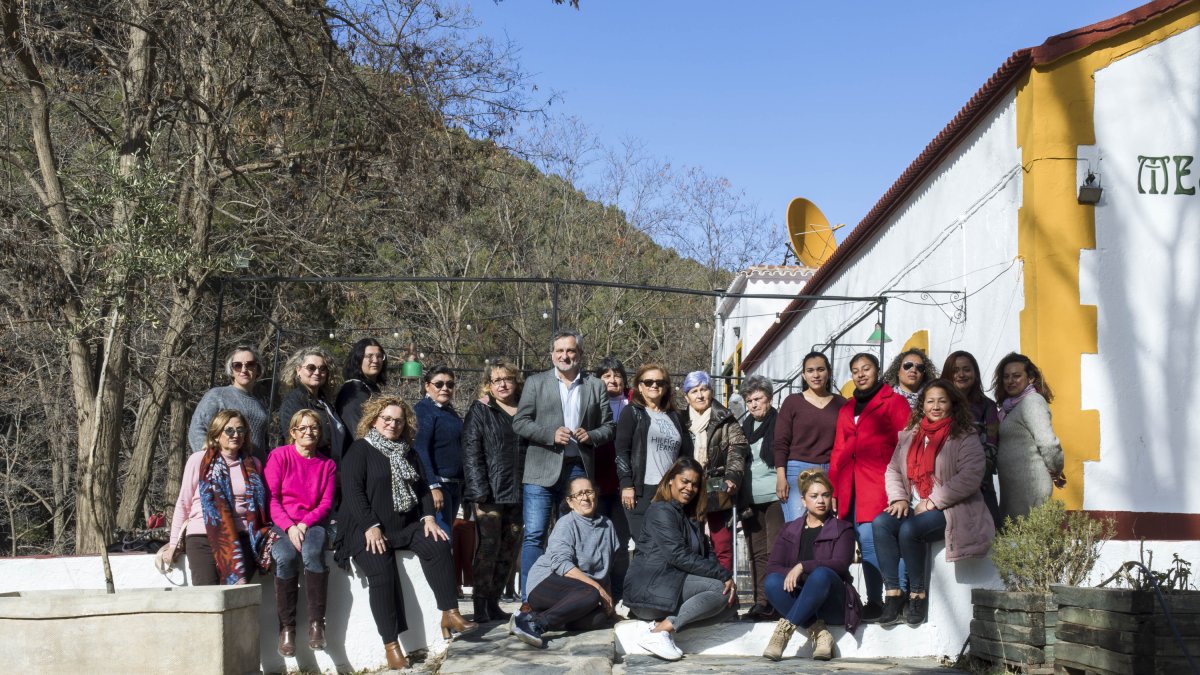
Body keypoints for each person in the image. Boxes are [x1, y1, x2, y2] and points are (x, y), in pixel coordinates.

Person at [334, 396, 476, 671]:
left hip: (405, 525)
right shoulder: (360, 450)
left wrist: (428, 518)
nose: (392, 424)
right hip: (364, 528)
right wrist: (370, 526)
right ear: (374, 420)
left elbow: (422, 489)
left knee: (437, 543)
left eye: (398, 420)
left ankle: (450, 612)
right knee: (382, 572)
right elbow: (353, 493)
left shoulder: (408, 451)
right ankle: (391, 645)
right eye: (386, 418)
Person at [873, 380, 995, 625]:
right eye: (930, 401)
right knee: (881, 524)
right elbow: (893, 469)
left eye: (942, 400)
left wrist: (932, 502)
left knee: (910, 530)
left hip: (952, 507)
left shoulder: (964, 435)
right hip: (914, 504)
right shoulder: (911, 435)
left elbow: (970, 476)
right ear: (922, 405)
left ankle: (917, 595)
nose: (936, 406)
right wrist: (899, 497)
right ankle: (894, 594)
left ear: (952, 404)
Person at [513, 330, 615, 606]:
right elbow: (520, 423)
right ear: (552, 355)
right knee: (535, 534)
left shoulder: (596, 386)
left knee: (577, 533)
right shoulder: (535, 383)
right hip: (540, 470)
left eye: (570, 351)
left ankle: (572, 594)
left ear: (580, 355)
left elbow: (609, 427)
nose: (565, 356)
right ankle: (529, 598)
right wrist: (549, 434)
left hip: (578, 469)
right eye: (559, 351)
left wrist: (591, 436)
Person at [623, 458, 736, 662]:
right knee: (720, 590)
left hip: (673, 586)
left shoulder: (691, 515)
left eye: (694, 484)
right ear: (670, 481)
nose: (689, 488)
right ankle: (661, 632)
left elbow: (706, 552)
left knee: (731, 602)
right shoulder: (661, 510)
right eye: (684, 481)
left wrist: (725, 576)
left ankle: (662, 626)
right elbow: (678, 555)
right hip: (650, 588)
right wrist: (723, 575)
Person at [828, 352, 911, 622]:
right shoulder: (846, 409)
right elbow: (839, 450)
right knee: (862, 542)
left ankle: (892, 596)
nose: (861, 374)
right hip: (849, 486)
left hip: (880, 483)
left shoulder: (894, 402)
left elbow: (907, 446)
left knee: (873, 538)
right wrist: (834, 488)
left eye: (866, 368)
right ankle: (875, 599)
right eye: (855, 370)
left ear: (877, 371)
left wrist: (903, 487)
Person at [160, 409, 275, 586]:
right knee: (207, 594)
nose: (235, 435)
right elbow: (183, 502)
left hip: (243, 538)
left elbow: (260, 506)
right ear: (217, 433)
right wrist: (173, 543)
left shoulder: (254, 465)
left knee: (236, 595)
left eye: (240, 430)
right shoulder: (198, 460)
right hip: (202, 536)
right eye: (229, 430)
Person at [761, 470, 861, 662]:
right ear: (803, 500)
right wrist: (795, 573)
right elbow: (773, 566)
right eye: (814, 496)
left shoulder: (843, 528)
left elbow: (839, 564)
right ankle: (820, 633)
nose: (820, 500)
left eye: (825, 495)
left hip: (833, 603)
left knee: (821, 574)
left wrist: (802, 567)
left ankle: (783, 633)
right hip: (803, 601)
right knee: (772, 582)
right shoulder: (789, 529)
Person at [512, 477, 622, 648]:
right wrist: (598, 589)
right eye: (578, 494)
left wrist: (610, 606)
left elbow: (605, 570)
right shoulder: (566, 524)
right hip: (546, 582)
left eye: (589, 492)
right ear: (570, 502)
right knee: (591, 594)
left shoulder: (607, 525)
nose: (585, 498)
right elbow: (561, 565)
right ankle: (536, 624)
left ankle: (530, 617)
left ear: (596, 495)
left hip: (579, 590)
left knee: (599, 618)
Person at [264, 409, 338, 656]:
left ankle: (317, 624)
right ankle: (287, 628)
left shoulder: (327, 464)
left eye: (314, 427)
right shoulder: (279, 456)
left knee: (313, 553)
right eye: (303, 428)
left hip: (313, 523)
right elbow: (271, 498)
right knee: (284, 557)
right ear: (293, 432)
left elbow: (326, 503)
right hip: (281, 523)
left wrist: (305, 524)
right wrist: (289, 526)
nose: (309, 432)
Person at [462, 358, 526, 623]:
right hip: (490, 493)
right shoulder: (481, 410)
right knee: (489, 547)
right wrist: (479, 491)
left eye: (507, 378)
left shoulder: (526, 409)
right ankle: (480, 604)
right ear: (488, 384)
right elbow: (471, 451)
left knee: (509, 549)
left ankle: (494, 601)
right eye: (496, 380)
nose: (502, 384)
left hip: (520, 491)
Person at [614, 363, 692, 541]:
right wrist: (626, 484)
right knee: (646, 543)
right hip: (642, 490)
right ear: (640, 387)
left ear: (666, 388)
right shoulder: (632, 412)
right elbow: (621, 451)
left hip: (670, 491)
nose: (654, 386)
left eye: (659, 382)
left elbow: (686, 454)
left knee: (670, 543)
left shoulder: (675, 417)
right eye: (648, 382)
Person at [682, 370, 748, 573]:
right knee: (690, 541)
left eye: (704, 389)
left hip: (717, 487)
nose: (700, 395)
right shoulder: (680, 420)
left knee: (722, 543)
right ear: (687, 397)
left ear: (711, 392)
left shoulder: (726, 419)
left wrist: (732, 476)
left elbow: (738, 448)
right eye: (694, 391)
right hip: (688, 487)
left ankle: (726, 588)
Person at [992, 353, 1066, 523]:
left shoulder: (1032, 402)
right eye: (1006, 377)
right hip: (1015, 489)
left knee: (1029, 541)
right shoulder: (1010, 407)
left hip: (1031, 486)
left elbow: (1048, 443)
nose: (1011, 381)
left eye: (1017, 376)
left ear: (1031, 378)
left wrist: (1056, 470)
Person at [774, 352, 846, 523]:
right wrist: (781, 477)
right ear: (803, 375)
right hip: (797, 471)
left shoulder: (842, 403)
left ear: (828, 372)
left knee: (827, 525)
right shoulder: (792, 402)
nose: (816, 375)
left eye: (820, 370)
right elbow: (780, 442)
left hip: (831, 471)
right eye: (810, 370)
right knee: (797, 525)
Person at [739, 375, 786, 621]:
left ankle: (777, 601)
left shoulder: (780, 423)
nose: (754, 404)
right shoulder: (743, 428)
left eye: (758, 398)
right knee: (755, 552)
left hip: (776, 495)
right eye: (749, 401)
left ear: (769, 398)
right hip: (750, 498)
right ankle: (760, 602)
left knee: (775, 549)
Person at [943, 350, 1002, 530]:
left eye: (967, 369)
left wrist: (973, 481)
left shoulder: (987, 407)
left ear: (975, 374)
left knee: (994, 532)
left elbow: (991, 447)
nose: (961, 374)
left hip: (980, 486)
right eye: (955, 370)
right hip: (944, 485)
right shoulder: (939, 405)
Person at [188, 345, 269, 464]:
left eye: (250, 364)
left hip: (255, 472)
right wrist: (213, 461)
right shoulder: (218, 395)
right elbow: (197, 429)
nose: (244, 369)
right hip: (226, 470)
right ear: (231, 370)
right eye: (238, 365)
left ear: (257, 369)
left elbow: (264, 443)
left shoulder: (260, 404)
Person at [591, 355, 633, 585]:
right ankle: (597, 589)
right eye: (606, 375)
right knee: (597, 539)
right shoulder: (591, 401)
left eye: (617, 375)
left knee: (620, 539)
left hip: (624, 484)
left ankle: (619, 590)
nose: (612, 379)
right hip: (596, 481)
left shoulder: (633, 401)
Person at [412, 365, 464, 536]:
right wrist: (432, 485)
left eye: (450, 385)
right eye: (439, 384)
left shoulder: (449, 411)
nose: (445, 388)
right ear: (427, 386)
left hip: (454, 485)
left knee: (448, 536)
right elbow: (420, 449)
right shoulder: (424, 410)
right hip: (438, 485)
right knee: (442, 539)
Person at [279, 346, 348, 463]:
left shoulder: (324, 402)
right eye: (311, 368)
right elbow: (295, 442)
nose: (317, 372)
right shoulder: (294, 401)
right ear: (298, 370)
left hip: (331, 468)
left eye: (322, 368)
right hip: (310, 469)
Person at [336, 338, 387, 442]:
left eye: (379, 356)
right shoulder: (352, 391)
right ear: (358, 360)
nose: (375, 360)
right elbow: (358, 432)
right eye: (369, 356)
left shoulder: (371, 388)